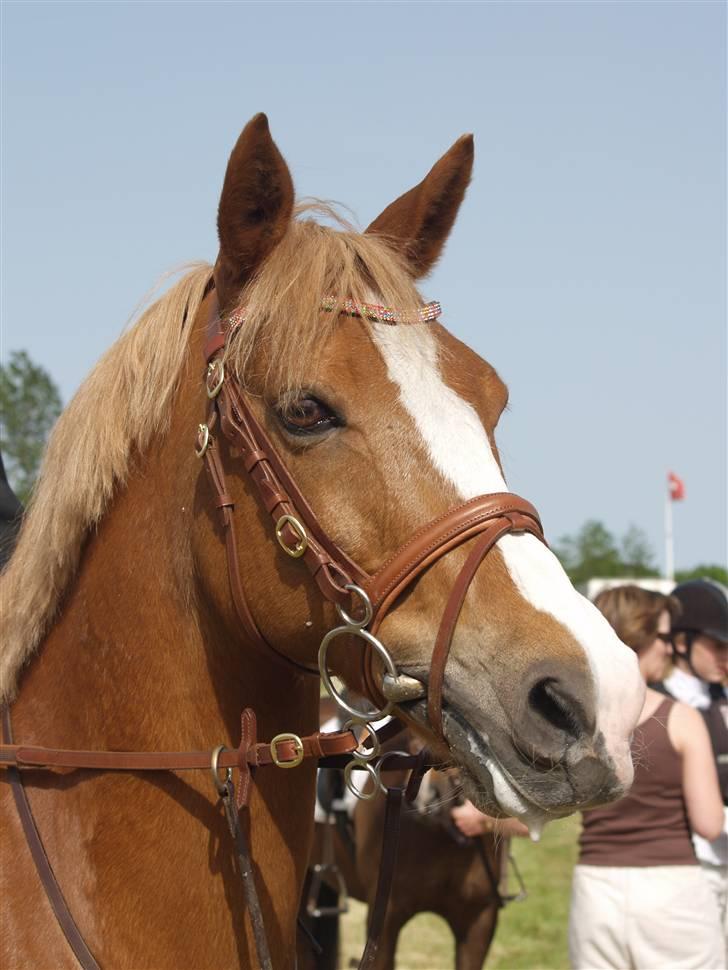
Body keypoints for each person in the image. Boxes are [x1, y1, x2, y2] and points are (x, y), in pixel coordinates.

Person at [568, 584, 724, 970]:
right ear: (639, 635)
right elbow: (708, 824)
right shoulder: (681, 718)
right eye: (664, 638)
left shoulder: (577, 722)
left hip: (595, 888)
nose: (670, 648)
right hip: (672, 891)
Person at [659, 580, 728, 956]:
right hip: (688, 865)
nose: (726, 657)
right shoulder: (658, 702)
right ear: (682, 643)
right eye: (717, 646)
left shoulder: (719, 696)